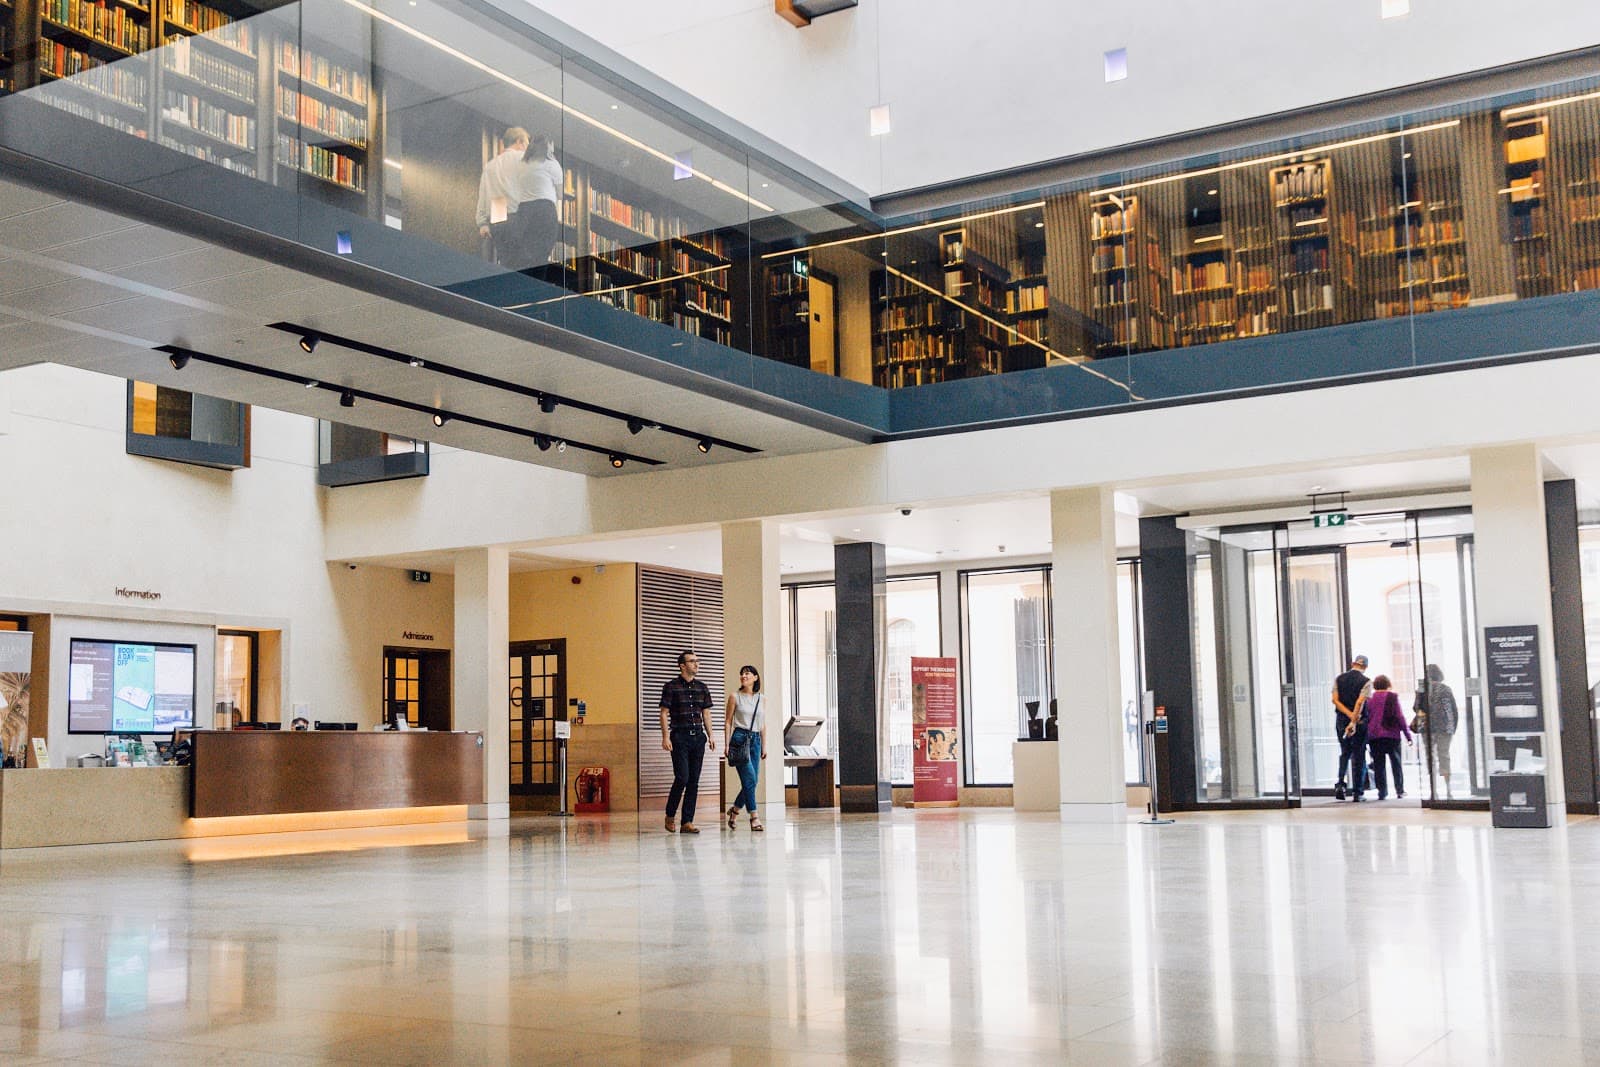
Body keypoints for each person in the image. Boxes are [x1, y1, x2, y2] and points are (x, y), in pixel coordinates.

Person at [660, 650, 715, 833]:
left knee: (694, 781)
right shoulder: (671, 686)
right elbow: (664, 713)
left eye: (697, 661)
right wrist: (666, 736)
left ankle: (687, 822)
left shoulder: (702, 687)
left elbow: (706, 713)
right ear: (682, 665)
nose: (696, 664)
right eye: (692, 661)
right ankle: (670, 814)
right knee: (682, 777)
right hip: (679, 737)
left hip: (698, 738)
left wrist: (711, 735)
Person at [475, 126, 535, 268]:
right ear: (519, 141)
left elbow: (483, 196)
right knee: (526, 263)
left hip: (498, 215)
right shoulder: (524, 159)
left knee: (507, 262)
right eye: (527, 143)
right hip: (518, 215)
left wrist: (482, 224)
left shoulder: (490, 166)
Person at [724, 664, 765, 832]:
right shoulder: (735, 696)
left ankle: (734, 810)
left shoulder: (762, 698)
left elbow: (762, 724)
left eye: (747, 673)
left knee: (752, 781)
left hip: (756, 740)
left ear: (755, 677)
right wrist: (726, 744)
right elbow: (728, 721)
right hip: (740, 738)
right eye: (742, 674)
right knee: (749, 779)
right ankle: (754, 816)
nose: (744, 676)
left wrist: (764, 746)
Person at [1413, 663, 1460, 798]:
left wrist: (1420, 693)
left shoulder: (1421, 690)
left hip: (1426, 727)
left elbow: (1416, 708)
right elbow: (1453, 710)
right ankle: (1448, 790)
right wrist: (1453, 727)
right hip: (1445, 727)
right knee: (1444, 756)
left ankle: (1434, 791)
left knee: (1430, 758)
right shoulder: (1446, 689)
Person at [518, 134, 564, 272]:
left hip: (524, 209)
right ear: (548, 146)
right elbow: (560, 194)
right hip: (545, 209)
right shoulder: (552, 164)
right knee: (543, 250)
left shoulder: (522, 164)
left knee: (526, 249)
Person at [1364, 674, 1413, 799]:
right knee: (1396, 764)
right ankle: (1400, 790)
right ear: (1388, 684)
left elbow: (1366, 717)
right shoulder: (1393, 697)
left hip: (1374, 736)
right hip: (1392, 735)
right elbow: (1400, 717)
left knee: (1379, 765)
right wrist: (1408, 736)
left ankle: (1382, 792)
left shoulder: (1369, 699)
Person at [1332, 654, 1371, 801]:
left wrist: (1347, 716)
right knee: (1359, 755)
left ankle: (1341, 784)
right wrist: (1353, 720)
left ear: (1353, 663)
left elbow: (1335, 700)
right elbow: (1360, 703)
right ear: (1365, 667)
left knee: (1345, 752)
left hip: (1341, 720)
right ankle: (1357, 792)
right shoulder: (1366, 681)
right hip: (1358, 722)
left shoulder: (1339, 679)